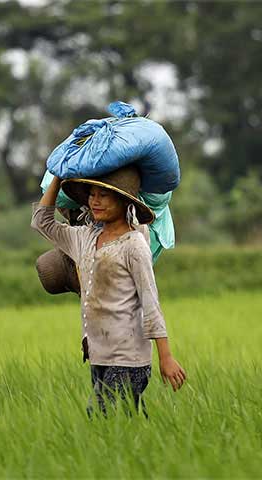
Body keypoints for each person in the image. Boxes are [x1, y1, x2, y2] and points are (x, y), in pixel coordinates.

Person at [32, 167, 187, 416]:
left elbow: (151, 303)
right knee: (125, 421)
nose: (95, 201)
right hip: (98, 355)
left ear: (124, 200)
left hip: (129, 357)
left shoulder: (134, 245)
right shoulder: (84, 238)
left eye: (104, 195)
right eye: (92, 194)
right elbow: (42, 222)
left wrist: (165, 357)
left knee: (103, 415)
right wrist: (58, 177)